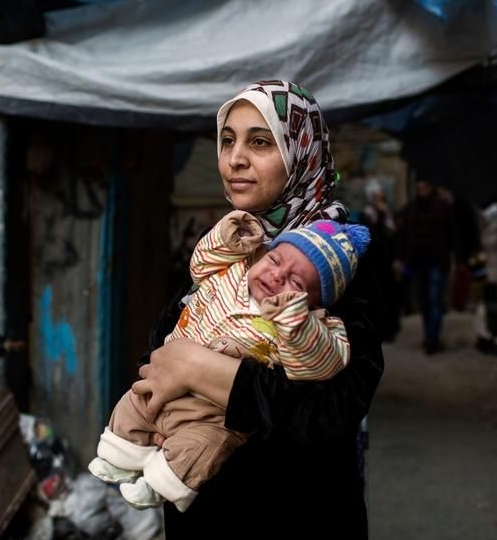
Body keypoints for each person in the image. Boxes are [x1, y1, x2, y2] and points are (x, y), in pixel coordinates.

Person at [132, 80, 384, 538]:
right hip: (201, 511)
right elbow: (157, 355)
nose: (235, 158)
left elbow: (327, 412)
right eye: (227, 140)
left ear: (301, 152)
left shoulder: (334, 262)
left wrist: (195, 366)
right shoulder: (227, 245)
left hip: (291, 513)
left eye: (260, 141)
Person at [88, 210, 370, 511]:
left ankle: (158, 484)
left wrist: (295, 323)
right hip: (166, 399)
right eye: (273, 260)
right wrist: (228, 235)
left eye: (295, 283)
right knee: (132, 405)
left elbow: (320, 374)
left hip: (237, 451)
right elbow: (201, 264)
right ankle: (121, 456)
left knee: (200, 448)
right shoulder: (231, 270)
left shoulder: (313, 323)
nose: (276, 276)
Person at [397, 178, 455, 354]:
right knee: (424, 301)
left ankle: (432, 338)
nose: (422, 188)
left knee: (434, 299)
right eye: (420, 185)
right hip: (418, 262)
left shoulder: (442, 207)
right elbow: (402, 234)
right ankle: (430, 335)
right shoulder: (411, 208)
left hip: (436, 261)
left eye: (425, 185)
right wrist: (401, 258)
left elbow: (451, 234)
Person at [359, 179, 403, 341]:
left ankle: (391, 329)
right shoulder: (367, 214)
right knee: (377, 297)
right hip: (374, 263)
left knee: (391, 295)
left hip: (388, 263)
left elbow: (395, 236)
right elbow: (372, 236)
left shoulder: (388, 213)